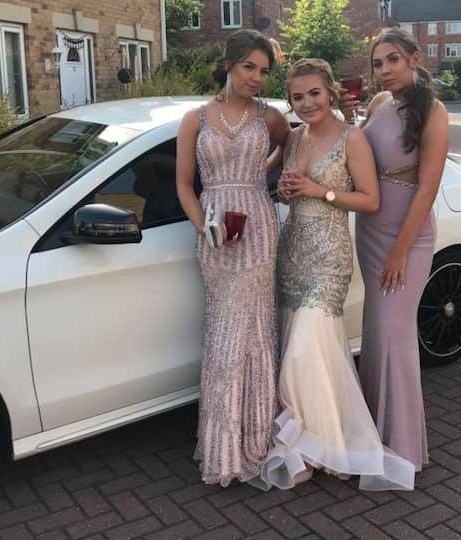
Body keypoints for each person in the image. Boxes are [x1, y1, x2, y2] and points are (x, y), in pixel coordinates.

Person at [250, 58, 415, 491]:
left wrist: (317, 189)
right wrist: (287, 190)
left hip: (329, 257)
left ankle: (314, 444)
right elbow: (286, 189)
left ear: (331, 93)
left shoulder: (352, 138)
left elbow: (371, 200)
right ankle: (317, 440)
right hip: (293, 252)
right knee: (310, 354)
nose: (307, 103)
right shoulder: (295, 139)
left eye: (314, 94)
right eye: (297, 97)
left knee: (304, 351)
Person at [175, 29, 291, 486]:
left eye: (264, 71)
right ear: (229, 64)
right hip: (214, 233)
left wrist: (262, 175)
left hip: (258, 228)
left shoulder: (271, 116)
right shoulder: (195, 118)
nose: (257, 78)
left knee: (255, 332)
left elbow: (292, 146)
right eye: (249, 67)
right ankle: (223, 449)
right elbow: (185, 184)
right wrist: (203, 225)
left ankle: (254, 444)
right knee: (224, 335)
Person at [339, 28, 450, 471]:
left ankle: (402, 448)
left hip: (408, 234)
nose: (384, 70)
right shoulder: (379, 104)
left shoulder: (435, 113)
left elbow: (426, 191)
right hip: (370, 228)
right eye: (378, 63)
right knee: (375, 331)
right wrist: (349, 121)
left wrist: (400, 252)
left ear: (414, 59)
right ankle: (374, 432)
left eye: (392, 61)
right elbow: (359, 156)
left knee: (395, 335)